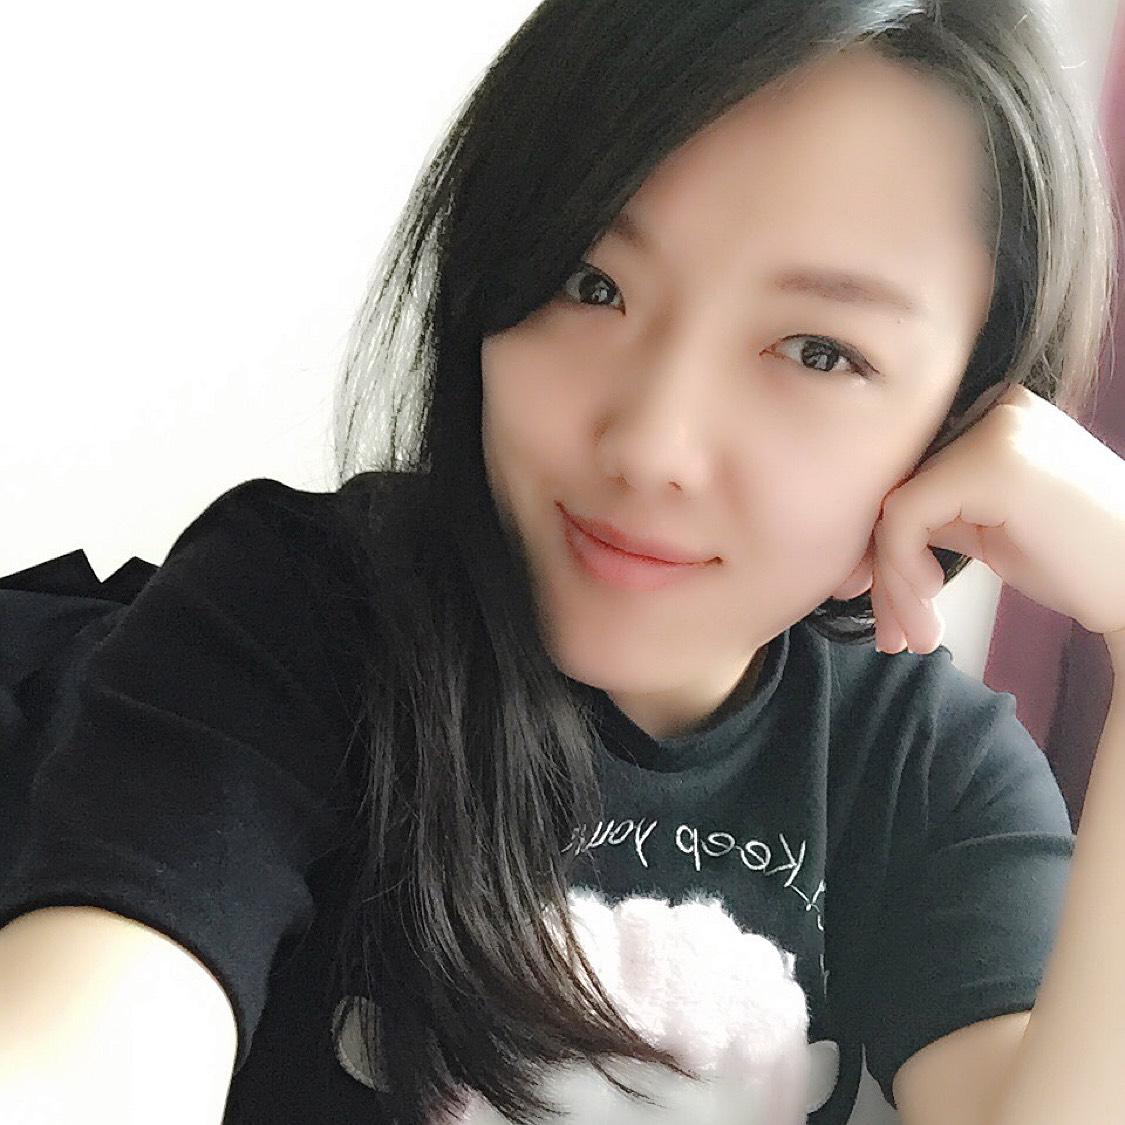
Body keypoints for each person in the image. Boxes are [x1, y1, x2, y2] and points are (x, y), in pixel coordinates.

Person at [0, 1, 1120, 1123]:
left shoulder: (923, 767)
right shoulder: (287, 617)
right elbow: (87, 1050)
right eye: (592, 283)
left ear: (962, 422)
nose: (650, 445)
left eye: (818, 351)